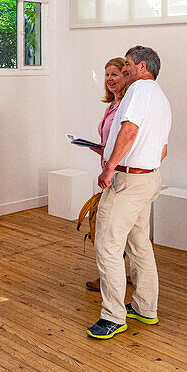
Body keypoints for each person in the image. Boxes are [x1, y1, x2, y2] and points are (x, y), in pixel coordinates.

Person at [88, 46, 172, 340]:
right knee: (139, 244)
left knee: (108, 246)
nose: (123, 70)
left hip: (128, 181)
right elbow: (162, 149)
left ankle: (112, 316)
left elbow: (129, 130)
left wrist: (110, 167)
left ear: (142, 66)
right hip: (148, 179)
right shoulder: (161, 97)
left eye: (127, 64)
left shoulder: (138, 91)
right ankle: (146, 308)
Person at [85, 57, 128, 293]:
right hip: (109, 169)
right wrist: (99, 148)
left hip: (119, 173)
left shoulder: (126, 106)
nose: (110, 79)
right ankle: (119, 273)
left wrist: (110, 163)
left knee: (109, 230)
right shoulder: (110, 105)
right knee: (118, 229)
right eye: (107, 75)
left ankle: (109, 280)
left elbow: (127, 140)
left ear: (125, 77)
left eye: (115, 74)